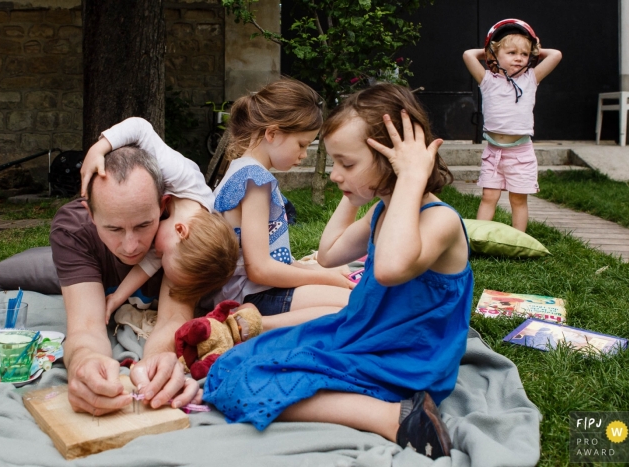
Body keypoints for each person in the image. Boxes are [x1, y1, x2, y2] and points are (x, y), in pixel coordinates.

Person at [203, 84, 474, 460]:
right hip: (367, 340)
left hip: (407, 362)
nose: (334, 174)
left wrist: (412, 177)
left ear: (396, 161)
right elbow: (329, 254)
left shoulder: (440, 220)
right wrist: (353, 196)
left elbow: (392, 267)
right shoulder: (381, 213)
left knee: (239, 383)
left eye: (346, 164)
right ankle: (392, 410)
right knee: (230, 366)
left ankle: (396, 418)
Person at [51, 118, 236, 415]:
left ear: (164, 206)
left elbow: (174, 314)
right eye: (113, 228)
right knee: (24, 270)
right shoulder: (74, 229)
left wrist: (161, 360)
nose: (131, 246)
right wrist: (84, 361)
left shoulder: (187, 238)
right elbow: (86, 325)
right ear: (90, 213)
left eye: (143, 225)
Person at [210, 79, 353, 329]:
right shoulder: (255, 182)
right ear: (272, 133)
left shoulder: (240, 170)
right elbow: (260, 270)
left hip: (248, 289)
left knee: (351, 300)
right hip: (251, 294)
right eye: (302, 144)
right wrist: (326, 279)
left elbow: (274, 259)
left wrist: (323, 275)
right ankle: (254, 325)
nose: (304, 154)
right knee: (357, 306)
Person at [79, 118, 238, 323]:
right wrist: (98, 149)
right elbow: (140, 128)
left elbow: (148, 265)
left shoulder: (182, 238)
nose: (156, 253)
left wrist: (117, 297)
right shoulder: (181, 176)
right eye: (162, 253)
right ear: (181, 230)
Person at [463, 19, 562, 232]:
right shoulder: (487, 80)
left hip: (520, 152)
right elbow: (468, 55)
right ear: (494, 55)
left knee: (518, 199)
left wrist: (536, 50)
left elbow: (556, 55)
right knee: (488, 196)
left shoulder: (531, 79)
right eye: (511, 53)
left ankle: (520, 238)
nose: (519, 58)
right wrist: (489, 50)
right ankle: (480, 236)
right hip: (493, 151)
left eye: (524, 54)